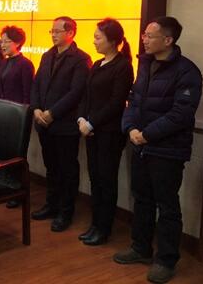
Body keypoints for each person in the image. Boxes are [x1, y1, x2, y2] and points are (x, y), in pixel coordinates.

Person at [114, 17, 202, 284]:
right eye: (144, 34)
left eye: (150, 35)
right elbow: (133, 101)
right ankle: (141, 248)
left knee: (167, 206)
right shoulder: (145, 64)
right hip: (141, 145)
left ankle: (166, 260)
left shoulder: (187, 72)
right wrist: (130, 128)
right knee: (142, 199)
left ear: (168, 40)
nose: (144, 39)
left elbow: (181, 114)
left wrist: (147, 134)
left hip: (167, 150)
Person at [30, 16, 91, 232]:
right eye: (52, 31)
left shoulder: (81, 59)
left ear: (70, 33)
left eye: (57, 31)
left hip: (64, 125)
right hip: (44, 124)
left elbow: (76, 92)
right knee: (51, 167)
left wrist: (52, 113)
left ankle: (66, 212)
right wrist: (36, 109)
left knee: (67, 170)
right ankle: (51, 204)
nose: (53, 34)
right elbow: (37, 84)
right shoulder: (47, 55)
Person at [77, 18, 134, 246]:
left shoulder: (123, 66)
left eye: (98, 37)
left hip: (109, 133)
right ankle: (95, 224)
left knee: (106, 180)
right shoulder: (97, 64)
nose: (94, 41)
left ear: (112, 41)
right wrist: (82, 118)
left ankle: (104, 228)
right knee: (95, 178)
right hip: (90, 131)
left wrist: (92, 123)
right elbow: (86, 95)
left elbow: (116, 102)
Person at [0, 25, 35, 104]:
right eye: (1, 42)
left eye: (6, 41)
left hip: (16, 108)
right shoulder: (4, 62)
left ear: (17, 43)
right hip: (2, 107)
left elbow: (27, 93)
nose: (2, 45)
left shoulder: (26, 64)